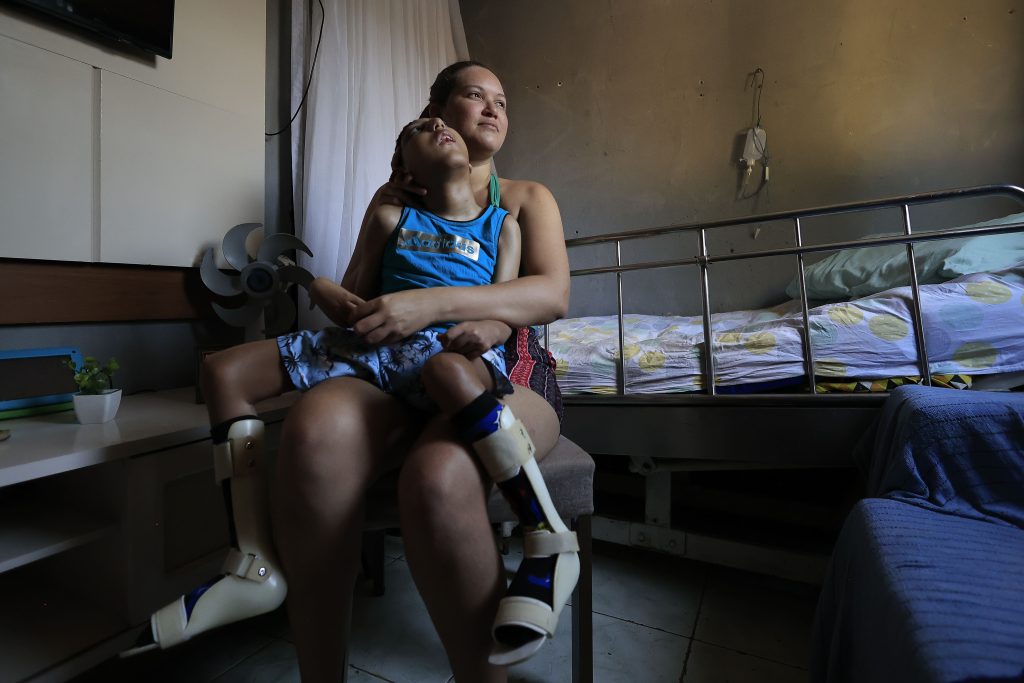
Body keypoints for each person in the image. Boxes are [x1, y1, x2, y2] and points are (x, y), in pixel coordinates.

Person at [273, 61, 572, 683]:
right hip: (396, 373)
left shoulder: (525, 200)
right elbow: (358, 301)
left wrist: (433, 304)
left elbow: (549, 297)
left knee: (438, 475)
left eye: (502, 99)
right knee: (313, 430)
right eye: (475, 95)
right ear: (437, 114)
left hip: (499, 371)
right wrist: (347, 274)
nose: (494, 108)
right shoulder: (397, 206)